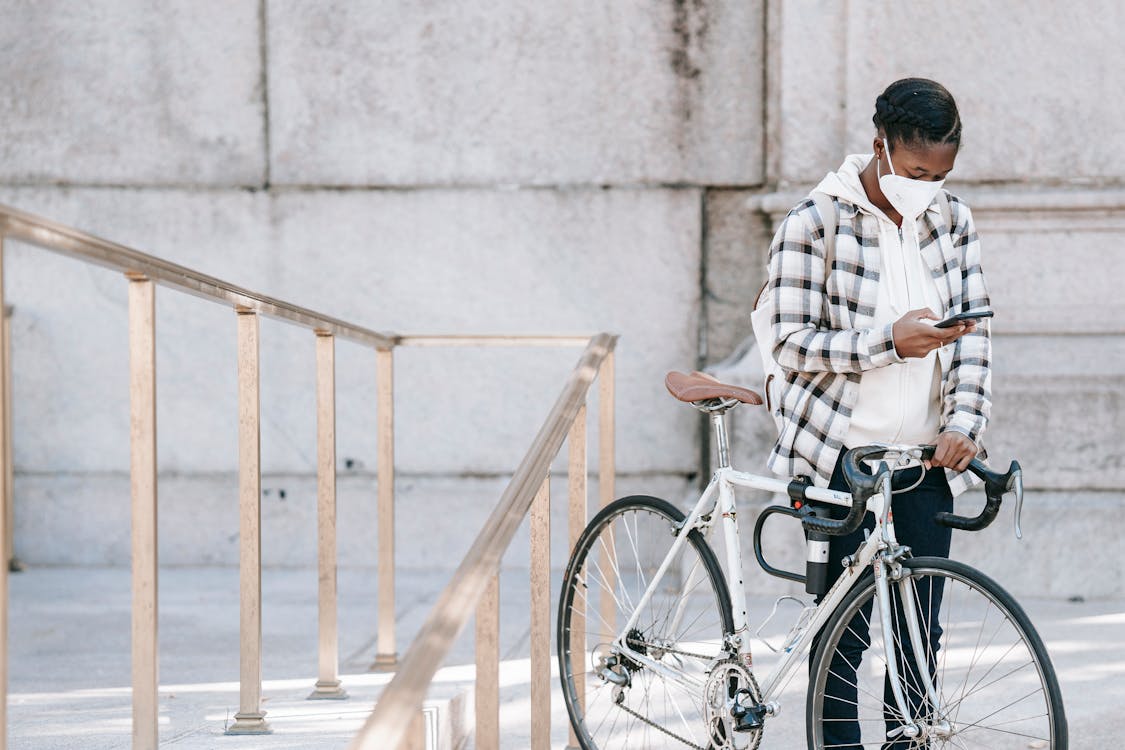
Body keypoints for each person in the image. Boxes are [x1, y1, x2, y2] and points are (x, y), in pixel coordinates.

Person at [764, 78, 992, 748]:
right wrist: (886, 342)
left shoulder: (950, 220)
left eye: (941, 173)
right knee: (843, 634)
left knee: (921, 631)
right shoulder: (814, 223)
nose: (929, 186)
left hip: (923, 458)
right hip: (839, 459)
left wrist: (963, 425)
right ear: (879, 148)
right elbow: (789, 342)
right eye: (918, 172)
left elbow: (976, 332)